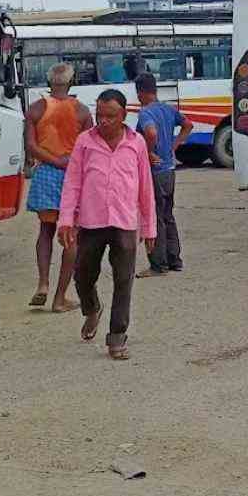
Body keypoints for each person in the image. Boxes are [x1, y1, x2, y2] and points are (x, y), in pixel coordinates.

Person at [58, 90, 157, 360]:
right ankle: (92, 309)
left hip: (124, 221)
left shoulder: (136, 143)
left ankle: (117, 337)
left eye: (110, 116)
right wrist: (66, 219)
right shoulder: (85, 142)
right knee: (83, 274)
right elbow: (73, 182)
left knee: (123, 279)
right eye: (100, 115)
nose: (103, 121)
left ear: (124, 115)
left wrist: (149, 228)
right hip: (91, 222)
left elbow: (145, 187)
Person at [23, 64, 91, 311]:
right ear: (72, 83)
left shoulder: (37, 108)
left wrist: (52, 160)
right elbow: (88, 150)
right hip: (72, 177)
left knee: (45, 231)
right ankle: (60, 298)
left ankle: (43, 283)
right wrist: (67, 162)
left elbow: (31, 146)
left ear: (49, 81)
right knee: (71, 237)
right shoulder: (82, 111)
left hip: (45, 174)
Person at [132, 72, 191, 277]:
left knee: (154, 215)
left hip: (155, 171)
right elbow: (188, 125)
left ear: (140, 92)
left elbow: (151, 133)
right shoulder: (168, 109)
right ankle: (175, 259)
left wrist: (148, 152)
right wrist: (174, 146)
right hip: (170, 170)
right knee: (168, 215)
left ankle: (158, 265)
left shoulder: (145, 113)